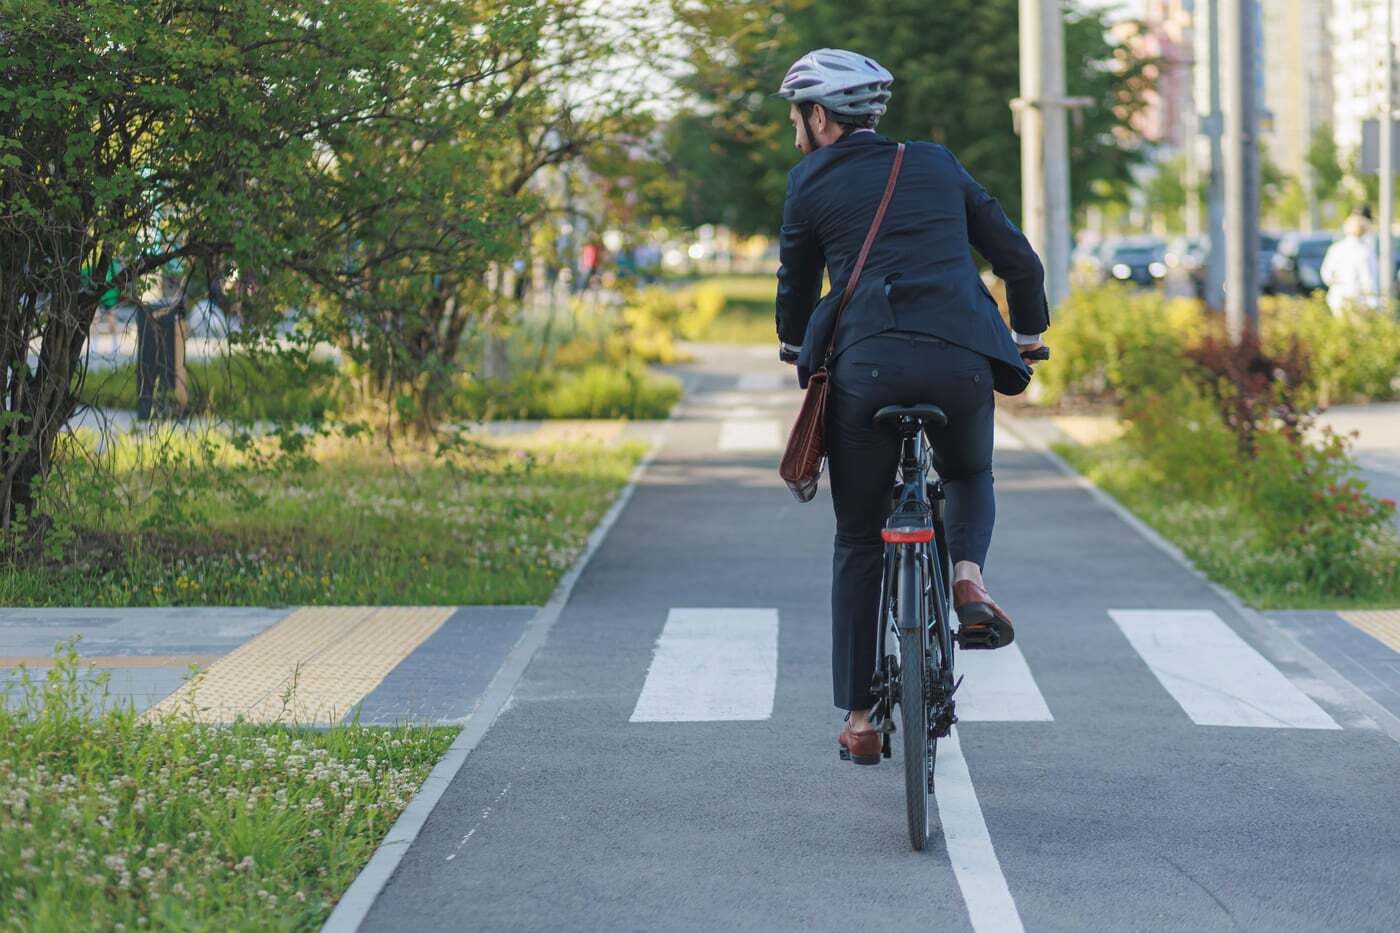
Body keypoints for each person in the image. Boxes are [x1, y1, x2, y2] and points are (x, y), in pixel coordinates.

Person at [773, 49, 1050, 765]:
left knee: (859, 538)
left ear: (821, 118)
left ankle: (861, 716)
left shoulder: (808, 182)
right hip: (960, 355)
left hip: (865, 366)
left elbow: (795, 284)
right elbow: (1016, 259)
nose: (793, 127)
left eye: (796, 113)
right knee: (966, 475)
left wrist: (791, 342)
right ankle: (967, 579)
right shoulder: (935, 162)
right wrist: (1028, 336)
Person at [1320, 205, 1382, 315]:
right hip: (1358, 304)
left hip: (1337, 301)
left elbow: (1326, 275)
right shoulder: (1365, 252)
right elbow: (1368, 281)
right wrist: (1374, 304)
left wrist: (1338, 285)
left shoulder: (1336, 248)